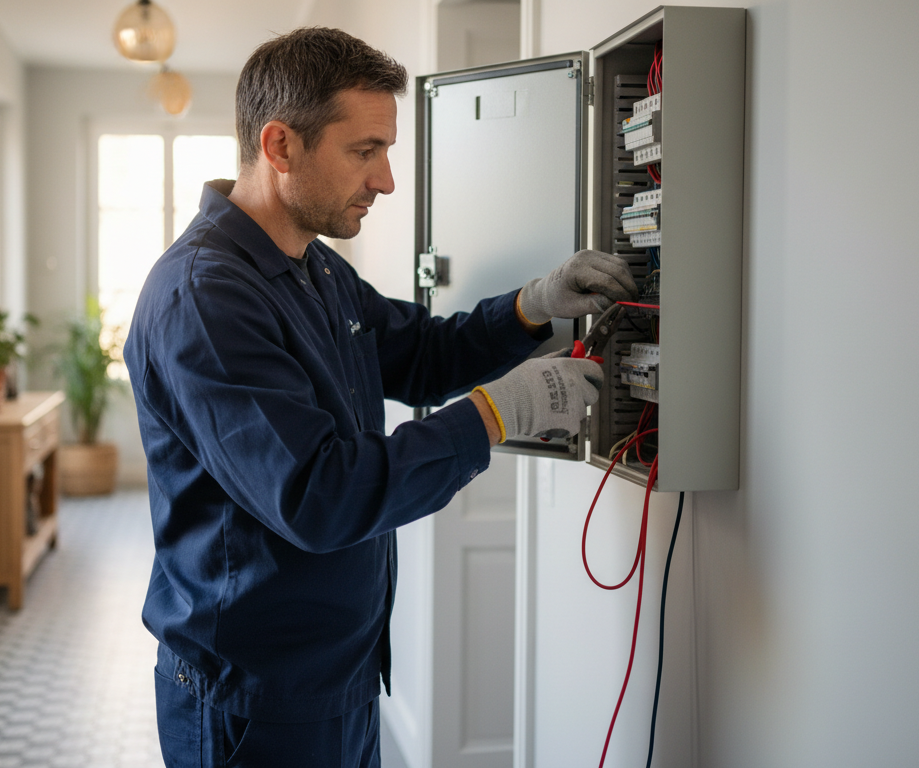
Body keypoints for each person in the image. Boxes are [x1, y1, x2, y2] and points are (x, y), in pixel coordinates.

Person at [124, 27, 638, 768]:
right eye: (364, 151)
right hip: (252, 702)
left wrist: (534, 305)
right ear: (280, 147)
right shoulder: (205, 297)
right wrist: (498, 414)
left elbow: (423, 354)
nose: (387, 180)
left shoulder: (314, 270)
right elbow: (318, 495)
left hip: (339, 679)